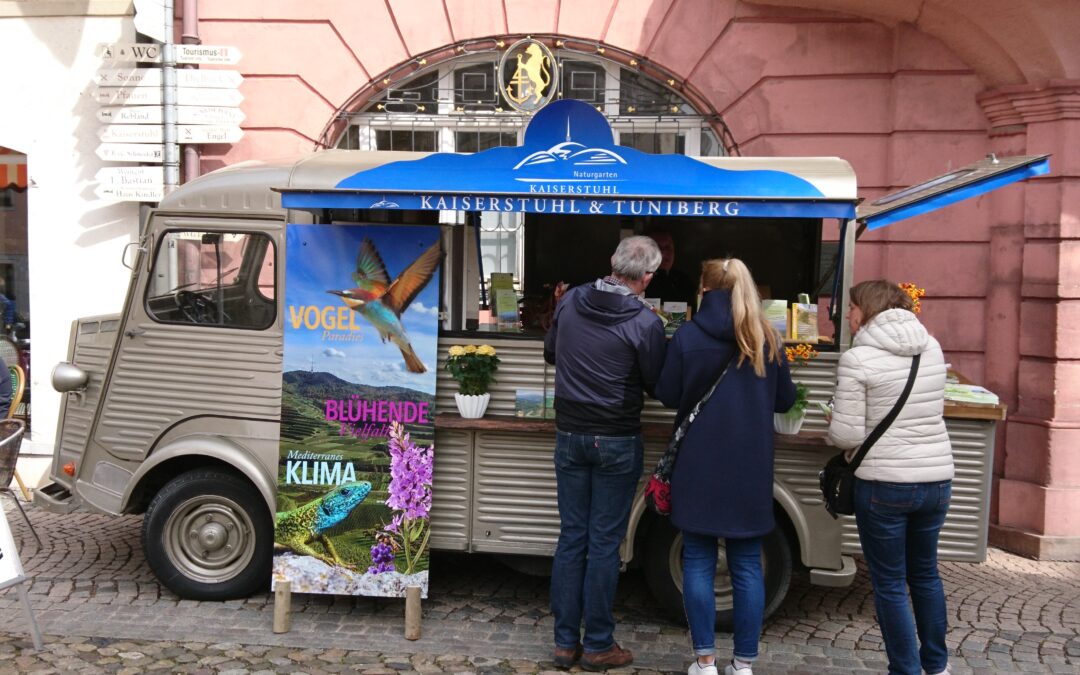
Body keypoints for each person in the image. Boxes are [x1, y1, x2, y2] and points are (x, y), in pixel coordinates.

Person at [654, 258, 796, 675]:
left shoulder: (688, 335)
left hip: (697, 463)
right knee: (747, 564)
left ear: (704, 290)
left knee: (697, 559)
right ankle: (744, 664)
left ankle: (705, 661)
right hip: (749, 466)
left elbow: (667, 393)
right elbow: (785, 400)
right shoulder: (766, 337)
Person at [543, 235, 667, 671]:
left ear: (612, 262)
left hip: (570, 433)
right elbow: (656, 382)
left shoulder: (571, 301)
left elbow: (551, 353)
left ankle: (564, 644)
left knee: (572, 537)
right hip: (616, 438)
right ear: (647, 277)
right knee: (603, 544)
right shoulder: (646, 323)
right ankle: (597, 644)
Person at [827, 280, 953, 675]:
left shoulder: (858, 357)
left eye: (851, 307)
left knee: (890, 583)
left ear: (867, 310)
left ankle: (905, 670)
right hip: (936, 480)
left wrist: (833, 421)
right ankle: (937, 666)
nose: (848, 315)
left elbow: (846, 436)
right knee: (926, 575)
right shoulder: (932, 347)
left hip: (885, 484)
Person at [644, 230, 697, 308]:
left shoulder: (684, 282)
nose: (664, 252)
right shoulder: (637, 280)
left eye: (668, 247)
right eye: (658, 247)